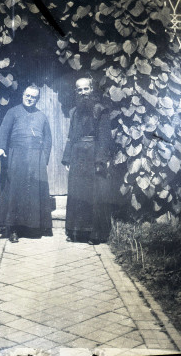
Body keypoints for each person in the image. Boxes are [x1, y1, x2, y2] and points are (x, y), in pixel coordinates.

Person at [0, 84, 52, 242]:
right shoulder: (12, 112)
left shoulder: (42, 116)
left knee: (33, 191)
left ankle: (32, 227)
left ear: (37, 99)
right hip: (16, 156)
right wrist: (0, 147)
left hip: (35, 158)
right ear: (22, 95)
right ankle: (13, 229)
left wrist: (44, 157)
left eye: (33, 97)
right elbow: (3, 131)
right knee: (15, 191)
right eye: (27, 95)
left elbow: (48, 138)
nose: (30, 99)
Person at [62, 77, 113, 245]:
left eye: (86, 89)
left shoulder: (101, 110)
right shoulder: (74, 112)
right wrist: (67, 157)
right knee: (77, 193)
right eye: (80, 90)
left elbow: (104, 138)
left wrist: (100, 161)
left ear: (91, 89)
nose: (83, 92)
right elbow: (71, 136)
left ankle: (95, 235)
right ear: (76, 92)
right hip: (77, 156)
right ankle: (76, 232)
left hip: (93, 154)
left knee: (94, 194)